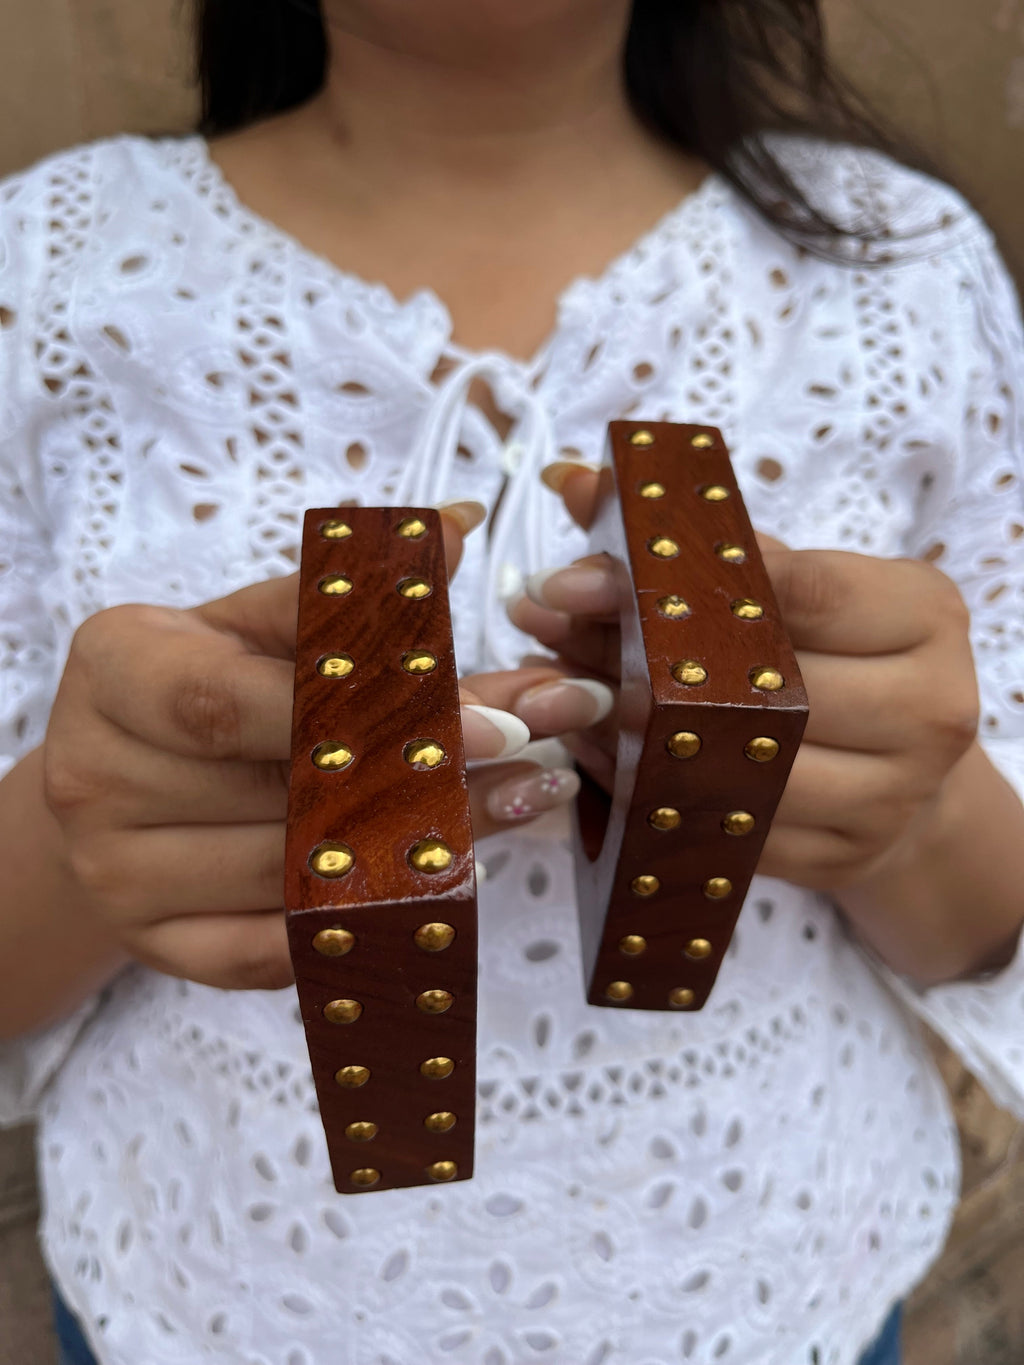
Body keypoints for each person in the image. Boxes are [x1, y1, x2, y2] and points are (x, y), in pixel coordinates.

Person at [1, 1, 1023, 1362]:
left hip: (778, 1282)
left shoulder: (908, 270)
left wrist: (913, 808)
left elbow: (990, 913)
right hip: (206, 1291)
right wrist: (96, 837)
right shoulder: (52, 265)